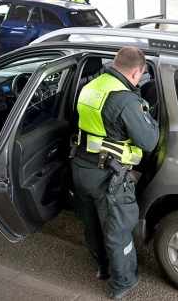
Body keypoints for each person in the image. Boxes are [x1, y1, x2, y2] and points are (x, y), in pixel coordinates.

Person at [71, 46, 159, 299]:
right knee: (118, 231)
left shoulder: (92, 87)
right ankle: (122, 283)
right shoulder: (126, 100)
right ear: (137, 72)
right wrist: (146, 112)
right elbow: (149, 141)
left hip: (81, 167)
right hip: (109, 176)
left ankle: (102, 268)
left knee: (92, 226)